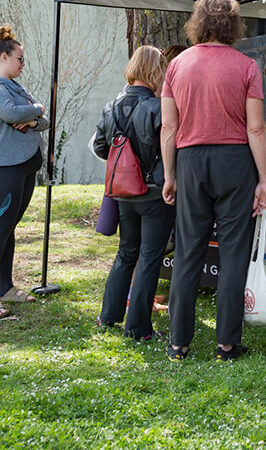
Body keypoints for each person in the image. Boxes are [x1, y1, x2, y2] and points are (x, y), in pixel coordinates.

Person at [160, 0, 266, 362]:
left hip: (191, 160)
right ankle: (227, 344)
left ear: (198, 22)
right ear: (233, 25)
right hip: (235, 161)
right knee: (234, 253)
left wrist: (170, 175)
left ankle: (179, 343)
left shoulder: (176, 66)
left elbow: (168, 127)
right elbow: (257, 130)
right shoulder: (247, 66)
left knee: (188, 252)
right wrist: (265, 180)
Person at [93, 45, 174, 340]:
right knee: (150, 257)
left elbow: (101, 147)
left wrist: (124, 161)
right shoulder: (158, 107)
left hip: (123, 192)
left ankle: (109, 316)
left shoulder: (110, 106)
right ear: (156, 70)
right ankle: (138, 328)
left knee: (126, 252)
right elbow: (171, 147)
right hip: (154, 192)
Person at [0, 25, 48, 320]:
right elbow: (15, 114)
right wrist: (36, 109)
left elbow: (44, 121)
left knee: (8, 227)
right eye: (20, 58)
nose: (23, 63)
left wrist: (34, 117)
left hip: (23, 166)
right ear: (3, 57)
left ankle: (6, 288)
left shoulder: (16, 88)